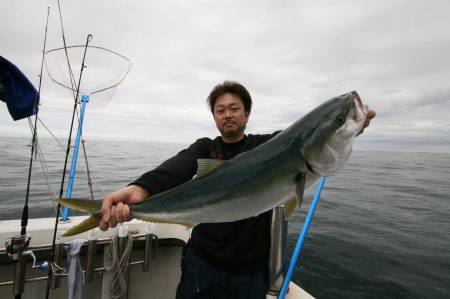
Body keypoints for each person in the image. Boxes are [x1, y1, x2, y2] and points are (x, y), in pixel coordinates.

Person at [99, 81, 376, 298]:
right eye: (220, 110)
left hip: (251, 272)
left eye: (234, 108)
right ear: (214, 117)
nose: (227, 115)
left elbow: (310, 135)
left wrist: (350, 128)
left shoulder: (270, 146)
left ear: (246, 113)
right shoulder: (205, 148)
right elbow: (176, 167)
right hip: (202, 265)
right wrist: (139, 190)